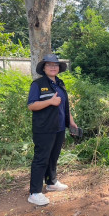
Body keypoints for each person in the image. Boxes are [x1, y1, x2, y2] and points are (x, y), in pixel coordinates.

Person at [27, 54, 78, 206]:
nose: (53, 67)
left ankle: (51, 182)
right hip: (44, 128)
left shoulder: (60, 84)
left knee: (53, 157)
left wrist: (71, 121)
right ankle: (34, 193)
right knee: (41, 159)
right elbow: (31, 105)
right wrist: (50, 101)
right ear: (44, 68)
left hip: (59, 128)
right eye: (49, 65)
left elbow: (64, 106)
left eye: (55, 65)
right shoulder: (37, 84)